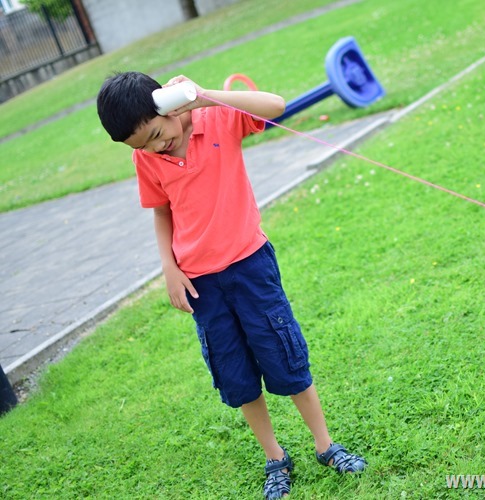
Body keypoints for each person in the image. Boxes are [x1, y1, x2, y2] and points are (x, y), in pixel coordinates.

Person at [97, 71, 366, 499]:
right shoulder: (146, 156)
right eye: (140, 146)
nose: (153, 147)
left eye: (155, 133)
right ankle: (276, 458)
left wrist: (202, 96)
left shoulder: (219, 117)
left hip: (251, 269)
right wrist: (169, 266)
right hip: (203, 285)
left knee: (285, 357)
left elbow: (276, 105)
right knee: (235, 374)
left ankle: (325, 445)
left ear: (166, 105)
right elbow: (161, 211)